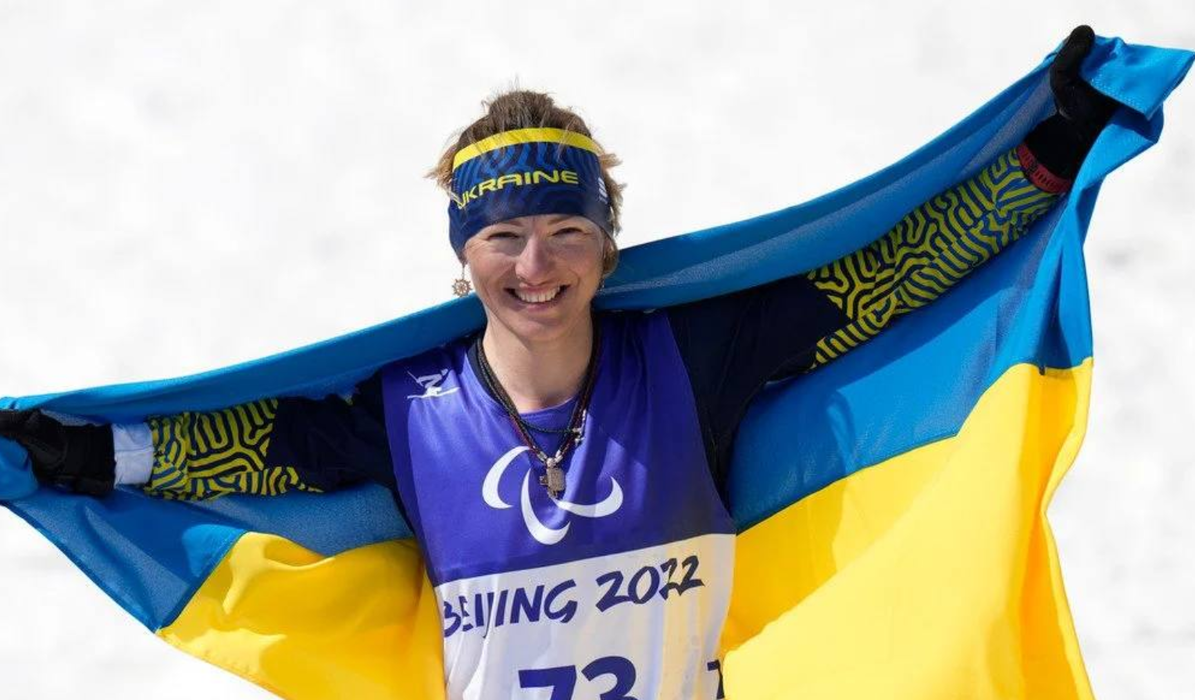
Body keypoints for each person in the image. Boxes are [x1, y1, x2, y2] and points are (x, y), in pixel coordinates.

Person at [0, 26, 1119, 700]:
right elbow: (259, 449)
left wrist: (1045, 151)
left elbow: (881, 283)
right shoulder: (411, 410)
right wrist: (90, 455)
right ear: (463, 255)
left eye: (565, 232)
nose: (534, 267)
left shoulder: (687, 360)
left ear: (605, 246)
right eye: (503, 237)